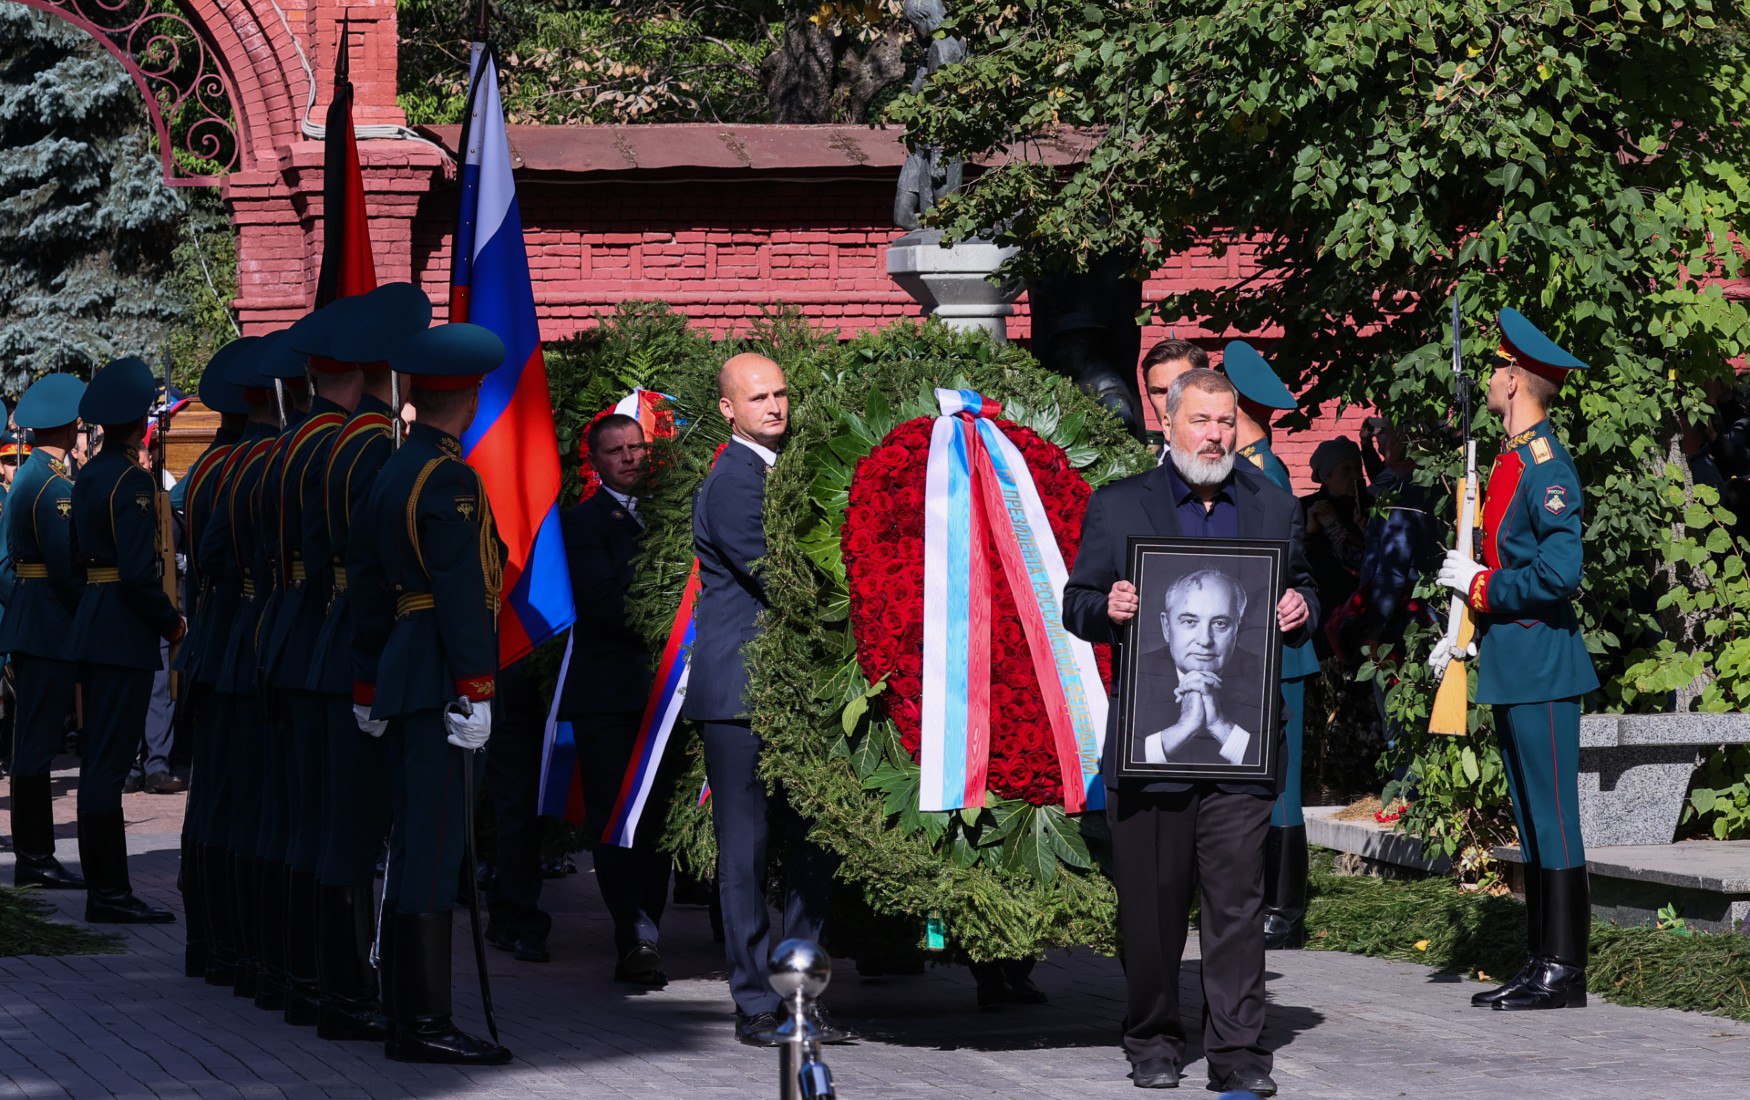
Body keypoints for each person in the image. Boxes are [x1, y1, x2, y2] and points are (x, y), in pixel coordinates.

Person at [1063, 368, 1316, 1095]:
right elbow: (1075, 604)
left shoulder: (1271, 506)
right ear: (1168, 423)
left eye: (1226, 422)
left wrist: (1301, 606)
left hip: (1244, 745)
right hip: (1152, 746)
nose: (1216, 435)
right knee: (1152, 904)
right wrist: (1104, 606)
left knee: (1236, 905)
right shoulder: (1119, 507)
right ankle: (1152, 1038)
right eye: (1202, 420)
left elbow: (1304, 588)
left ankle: (1238, 1053)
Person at [350, 321, 511, 1065]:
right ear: (472, 397)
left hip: (401, 667)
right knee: (435, 847)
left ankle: (402, 1012)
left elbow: (365, 593)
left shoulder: (388, 469)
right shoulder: (448, 478)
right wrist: (477, 689)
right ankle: (422, 1022)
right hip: (440, 673)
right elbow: (460, 594)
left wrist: (364, 678)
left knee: (416, 839)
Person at [1431, 308, 1598, 1012]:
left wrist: (1479, 586)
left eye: (1498, 370)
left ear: (1512, 379)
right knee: (1531, 820)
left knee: (1555, 817)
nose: (1491, 380)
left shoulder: (1546, 468)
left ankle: (1565, 970)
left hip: (1543, 663)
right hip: (1511, 660)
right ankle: (1540, 960)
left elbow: (1560, 575)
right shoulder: (1508, 460)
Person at [681, 353, 849, 1047]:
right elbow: (779, 579)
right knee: (746, 853)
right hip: (741, 692)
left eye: (782, 393)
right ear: (728, 409)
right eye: (758, 398)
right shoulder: (731, 481)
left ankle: (800, 995)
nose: (775, 407)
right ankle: (754, 1003)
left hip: (793, 688)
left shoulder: (787, 470)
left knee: (815, 843)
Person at [305, 282, 430, 1042]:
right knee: (365, 827)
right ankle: (358, 990)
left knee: (314, 821)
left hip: (306, 634)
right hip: (366, 639)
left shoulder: (295, 448)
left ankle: (315, 981)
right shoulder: (376, 448)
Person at [66, 356, 186, 924]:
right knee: (109, 768)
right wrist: (172, 622)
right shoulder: (132, 482)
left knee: (98, 764)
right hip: (122, 630)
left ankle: (103, 888)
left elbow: (74, 562)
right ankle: (110, 893)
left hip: (94, 621)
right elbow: (139, 573)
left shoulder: (85, 477)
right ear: (140, 424)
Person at [557, 413, 675, 982]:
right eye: (616, 452)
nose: (630, 458)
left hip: (665, 693)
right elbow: (603, 604)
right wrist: (672, 610)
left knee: (657, 818)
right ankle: (631, 935)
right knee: (616, 818)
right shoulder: (582, 523)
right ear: (596, 462)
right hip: (610, 696)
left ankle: (649, 926)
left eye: (636, 447)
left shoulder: (669, 516)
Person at [1219, 340, 1321, 948]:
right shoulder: (1247, 463)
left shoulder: (1264, 470)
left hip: (1281, 652)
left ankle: (1285, 909)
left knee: (1281, 784)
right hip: (1259, 646)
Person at [175, 340, 254, 983]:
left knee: (216, 797)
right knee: (244, 800)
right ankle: (229, 943)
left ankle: (210, 940)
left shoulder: (207, 468)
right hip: (240, 639)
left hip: (214, 639)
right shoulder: (245, 466)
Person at [0, 374, 88, 893]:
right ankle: (35, 856)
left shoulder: (32, 475)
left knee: (32, 741)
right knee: (36, 745)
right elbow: (66, 567)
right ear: (72, 424)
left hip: (33, 620)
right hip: (49, 624)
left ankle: (35, 854)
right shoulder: (52, 486)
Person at [1135, 569, 1262, 766]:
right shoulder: (1135, 673)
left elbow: (1273, 766)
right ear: (1167, 627)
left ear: (1239, 629)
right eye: (1189, 622)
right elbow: (1118, 762)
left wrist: (1219, 724)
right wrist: (1184, 727)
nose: (1204, 640)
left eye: (1220, 623)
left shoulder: (1264, 674)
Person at [1300, 436, 1369, 645]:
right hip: (1321, 614)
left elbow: (1365, 564)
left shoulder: (1371, 509)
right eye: (1346, 470)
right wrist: (1309, 532)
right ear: (1327, 477)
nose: (1355, 475)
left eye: (1358, 468)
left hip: (1360, 615)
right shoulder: (1306, 509)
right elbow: (1296, 566)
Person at [1140, 338, 1209, 453]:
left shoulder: (1242, 466)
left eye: (1180, 388)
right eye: (1159, 391)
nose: (1170, 400)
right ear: (1148, 394)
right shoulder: (1138, 467)